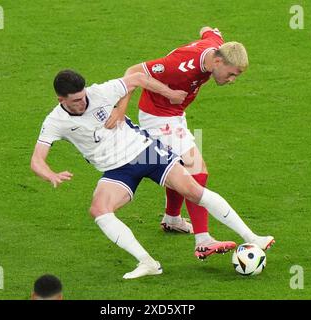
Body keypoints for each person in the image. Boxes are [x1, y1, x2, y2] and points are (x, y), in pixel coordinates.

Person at [31, 69, 270, 279]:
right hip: (116, 170)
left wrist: (167, 94)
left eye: (83, 97)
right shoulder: (55, 121)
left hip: (145, 152)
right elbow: (36, 160)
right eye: (75, 101)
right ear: (61, 99)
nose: (83, 103)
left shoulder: (99, 92)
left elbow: (136, 78)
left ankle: (252, 237)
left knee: (193, 189)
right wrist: (50, 174)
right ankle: (148, 262)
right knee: (99, 210)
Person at [105, 26, 275, 258]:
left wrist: (208, 29)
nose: (232, 80)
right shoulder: (180, 65)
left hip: (175, 114)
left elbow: (210, 32)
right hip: (159, 117)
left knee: (179, 167)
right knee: (197, 171)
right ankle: (204, 240)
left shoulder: (216, 46)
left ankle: (172, 218)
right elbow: (132, 71)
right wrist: (122, 109)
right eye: (232, 74)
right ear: (217, 61)